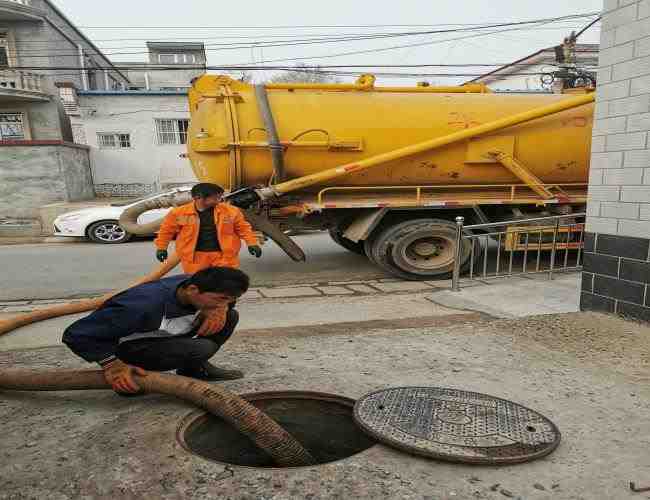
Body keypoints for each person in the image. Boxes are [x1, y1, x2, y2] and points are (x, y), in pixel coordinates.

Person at [62, 267, 250, 395]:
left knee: (231, 316)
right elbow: (76, 334)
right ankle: (135, 375)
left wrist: (221, 309)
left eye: (230, 299)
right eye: (221, 299)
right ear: (193, 290)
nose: (224, 303)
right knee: (201, 347)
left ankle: (193, 369)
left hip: (160, 334)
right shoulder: (140, 306)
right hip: (129, 347)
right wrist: (112, 365)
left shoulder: (195, 286)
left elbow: (228, 297)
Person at [154, 183, 262, 274]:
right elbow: (166, 231)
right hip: (194, 258)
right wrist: (161, 248)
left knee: (226, 285)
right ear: (199, 198)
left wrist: (252, 243)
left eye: (220, 197)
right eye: (215, 198)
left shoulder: (231, 211)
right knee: (199, 287)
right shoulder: (179, 213)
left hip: (224, 257)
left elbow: (243, 228)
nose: (219, 200)